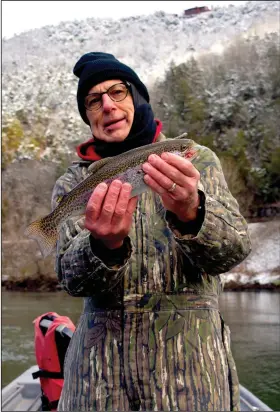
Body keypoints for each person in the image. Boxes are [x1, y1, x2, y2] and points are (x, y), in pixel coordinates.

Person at [52, 52, 251, 411]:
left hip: (191, 379)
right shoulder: (73, 182)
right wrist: (103, 246)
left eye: (117, 92)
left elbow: (234, 251)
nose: (108, 106)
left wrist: (193, 214)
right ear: (87, 116)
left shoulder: (198, 160)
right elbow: (71, 281)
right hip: (97, 384)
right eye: (93, 101)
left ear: (138, 96)